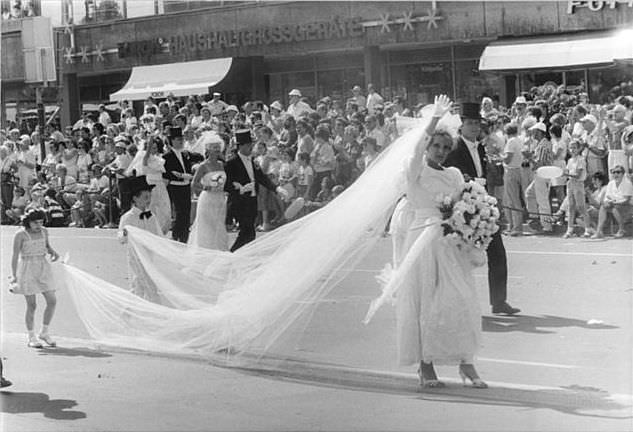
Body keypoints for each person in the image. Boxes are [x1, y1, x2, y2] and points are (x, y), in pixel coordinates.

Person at [378, 95, 488, 388]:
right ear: (427, 145)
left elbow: (466, 203)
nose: (440, 151)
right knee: (426, 300)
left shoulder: (453, 175)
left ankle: (467, 363)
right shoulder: (414, 169)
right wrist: (434, 121)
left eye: (444, 147)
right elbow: (415, 153)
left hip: (449, 241)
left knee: (460, 299)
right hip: (422, 238)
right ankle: (426, 365)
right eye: (435, 146)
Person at [444, 102, 520, 315]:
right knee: (459, 259)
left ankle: (499, 301)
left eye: (477, 123)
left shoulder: (480, 147)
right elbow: (450, 174)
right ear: (462, 125)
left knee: (498, 253)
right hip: (463, 209)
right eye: (470, 123)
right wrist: (467, 182)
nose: (475, 127)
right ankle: (457, 303)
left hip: (482, 206)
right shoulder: (455, 147)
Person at [224, 129, 288, 252]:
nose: (251, 147)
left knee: (250, 233)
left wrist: (277, 188)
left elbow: (262, 178)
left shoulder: (253, 161)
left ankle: (242, 256)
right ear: (241, 146)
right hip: (240, 203)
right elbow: (227, 185)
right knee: (246, 231)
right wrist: (240, 188)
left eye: (251, 144)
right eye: (248, 145)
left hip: (252, 201)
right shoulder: (231, 163)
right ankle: (231, 254)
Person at [10, 208, 60, 348]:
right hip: (27, 269)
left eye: (41, 222)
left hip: (43, 268)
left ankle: (44, 332)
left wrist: (52, 252)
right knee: (32, 305)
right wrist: (14, 275)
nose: (39, 225)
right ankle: (31, 336)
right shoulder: (21, 234)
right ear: (28, 222)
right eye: (35, 223)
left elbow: (47, 246)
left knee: (52, 300)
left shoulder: (44, 231)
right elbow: (14, 255)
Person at [118, 175, 162, 301]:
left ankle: (148, 309)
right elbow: (121, 238)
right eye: (145, 197)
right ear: (135, 198)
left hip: (148, 255)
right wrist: (125, 234)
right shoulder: (128, 217)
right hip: (135, 256)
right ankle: (132, 311)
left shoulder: (151, 216)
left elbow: (158, 235)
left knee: (150, 283)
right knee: (138, 283)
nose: (148, 200)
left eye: (150, 197)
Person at [162, 127, 203, 243]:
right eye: (178, 139)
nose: (181, 141)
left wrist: (188, 173)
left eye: (182, 139)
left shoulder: (186, 153)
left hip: (185, 185)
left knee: (186, 210)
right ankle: (176, 234)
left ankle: (184, 234)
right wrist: (180, 175)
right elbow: (166, 173)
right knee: (180, 211)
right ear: (172, 141)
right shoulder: (167, 156)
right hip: (175, 185)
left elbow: (199, 157)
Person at [189, 134, 229, 250]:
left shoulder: (221, 164)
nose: (217, 151)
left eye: (218, 148)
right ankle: (206, 249)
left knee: (219, 224)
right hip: (207, 198)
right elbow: (194, 183)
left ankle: (220, 248)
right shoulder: (203, 166)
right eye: (214, 148)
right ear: (208, 150)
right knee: (207, 226)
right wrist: (206, 187)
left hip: (220, 198)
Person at [592, 164, 633, 239]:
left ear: (623, 173)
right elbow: (607, 196)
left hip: (627, 206)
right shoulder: (611, 183)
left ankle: (621, 230)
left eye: (618, 172)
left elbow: (627, 200)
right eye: (613, 172)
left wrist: (614, 202)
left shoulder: (628, 183)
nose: (615, 174)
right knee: (603, 207)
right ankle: (599, 232)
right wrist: (607, 202)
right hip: (614, 204)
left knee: (615, 208)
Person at [563, 139, 591, 239]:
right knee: (570, 207)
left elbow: (578, 175)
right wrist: (564, 173)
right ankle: (569, 231)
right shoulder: (570, 160)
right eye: (571, 147)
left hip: (578, 184)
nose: (572, 149)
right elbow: (567, 172)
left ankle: (587, 230)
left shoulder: (581, 160)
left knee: (581, 207)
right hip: (570, 184)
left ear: (579, 149)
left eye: (574, 147)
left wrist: (565, 174)